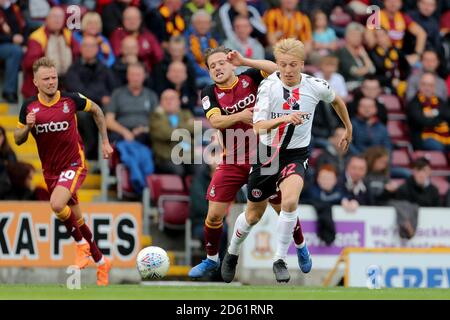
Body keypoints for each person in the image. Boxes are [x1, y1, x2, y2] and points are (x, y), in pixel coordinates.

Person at [221, 38, 353, 283]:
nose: (288, 70)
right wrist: (285, 119)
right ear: (278, 65)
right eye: (283, 65)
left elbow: (336, 100)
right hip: (267, 153)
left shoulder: (314, 85)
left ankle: (280, 259)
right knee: (252, 216)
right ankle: (232, 252)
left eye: (293, 65)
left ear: (302, 64)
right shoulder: (268, 87)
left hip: (295, 154)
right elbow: (259, 127)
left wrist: (348, 127)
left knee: (290, 202)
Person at [14, 57, 113, 286]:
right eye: (46, 79)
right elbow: (18, 140)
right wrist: (27, 127)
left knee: (57, 205)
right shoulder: (28, 107)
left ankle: (81, 247)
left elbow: (97, 111)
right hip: (51, 171)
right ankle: (101, 261)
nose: (51, 82)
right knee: (77, 219)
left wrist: (105, 142)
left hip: (73, 164)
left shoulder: (71, 99)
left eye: (54, 78)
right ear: (36, 82)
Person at [188, 47, 284, 280]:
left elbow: (277, 71)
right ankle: (212, 259)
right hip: (232, 160)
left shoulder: (249, 77)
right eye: (212, 66)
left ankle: (299, 250)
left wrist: (245, 60)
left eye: (222, 63)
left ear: (232, 65)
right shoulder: (209, 92)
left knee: (284, 208)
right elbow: (217, 121)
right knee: (213, 216)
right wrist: (240, 116)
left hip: (263, 157)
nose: (218, 68)